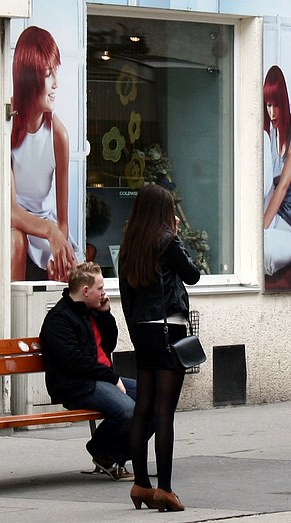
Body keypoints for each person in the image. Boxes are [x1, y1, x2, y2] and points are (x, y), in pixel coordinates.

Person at [119, 184, 201, 512]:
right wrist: (176, 234)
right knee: (164, 412)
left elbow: (127, 299)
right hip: (169, 329)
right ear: (164, 213)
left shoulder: (129, 246)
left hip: (143, 331)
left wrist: (135, 332)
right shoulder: (166, 240)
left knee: (144, 408)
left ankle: (141, 484)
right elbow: (192, 275)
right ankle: (164, 489)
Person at [39, 261, 136, 480]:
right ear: (85, 290)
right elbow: (74, 361)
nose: (103, 293)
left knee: (154, 401)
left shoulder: (91, 312)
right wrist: (112, 378)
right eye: (100, 289)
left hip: (99, 379)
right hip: (76, 385)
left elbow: (108, 345)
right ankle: (102, 451)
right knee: (128, 410)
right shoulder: (59, 319)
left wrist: (105, 314)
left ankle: (111, 455)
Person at [10, 26, 77, 282]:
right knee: (16, 241)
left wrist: (58, 251)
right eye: (49, 74)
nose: (55, 84)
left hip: (46, 231)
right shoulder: (5, 125)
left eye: (55, 72)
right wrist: (50, 231)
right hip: (14, 227)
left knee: (69, 266)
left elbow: (63, 224)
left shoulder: (58, 135)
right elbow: (10, 211)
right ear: (30, 78)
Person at [263, 65, 291, 277]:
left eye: (276, 105)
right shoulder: (268, 132)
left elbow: (284, 186)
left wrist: (261, 227)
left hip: (289, 222)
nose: (272, 112)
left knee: (266, 250)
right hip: (270, 213)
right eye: (268, 105)